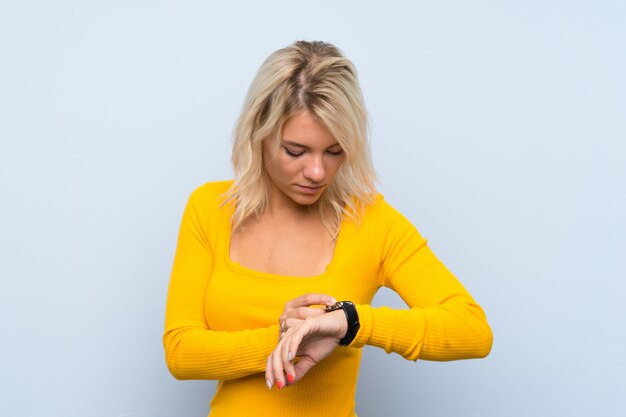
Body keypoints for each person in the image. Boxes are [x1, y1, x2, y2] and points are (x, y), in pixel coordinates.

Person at [163, 40, 493, 417]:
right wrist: (286, 340)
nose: (317, 172)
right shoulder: (210, 209)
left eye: (334, 151)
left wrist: (348, 323)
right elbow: (180, 352)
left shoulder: (373, 223)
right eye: (296, 151)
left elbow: (472, 330)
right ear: (260, 133)